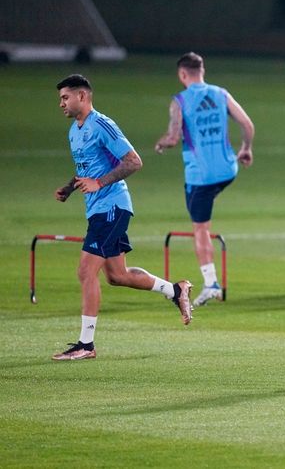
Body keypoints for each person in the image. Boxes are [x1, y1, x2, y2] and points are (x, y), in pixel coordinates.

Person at [52, 74, 192, 361]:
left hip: (112, 206)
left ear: (82, 96)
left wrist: (100, 184)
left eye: (65, 97)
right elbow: (86, 168)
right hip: (97, 209)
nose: (61, 104)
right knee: (117, 275)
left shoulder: (102, 125)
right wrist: (69, 187)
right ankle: (174, 290)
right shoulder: (74, 131)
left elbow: (133, 161)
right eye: (60, 99)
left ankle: (86, 345)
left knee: (86, 271)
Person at [155, 52, 255, 308]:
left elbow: (174, 136)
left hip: (201, 176)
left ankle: (211, 284)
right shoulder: (221, 93)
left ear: (182, 74)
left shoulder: (179, 100)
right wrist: (246, 148)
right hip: (228, 170)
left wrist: (163, 142)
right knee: (204, 220)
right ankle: (211, 283)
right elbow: (247, 123)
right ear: (203, 71)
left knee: (200, 228)